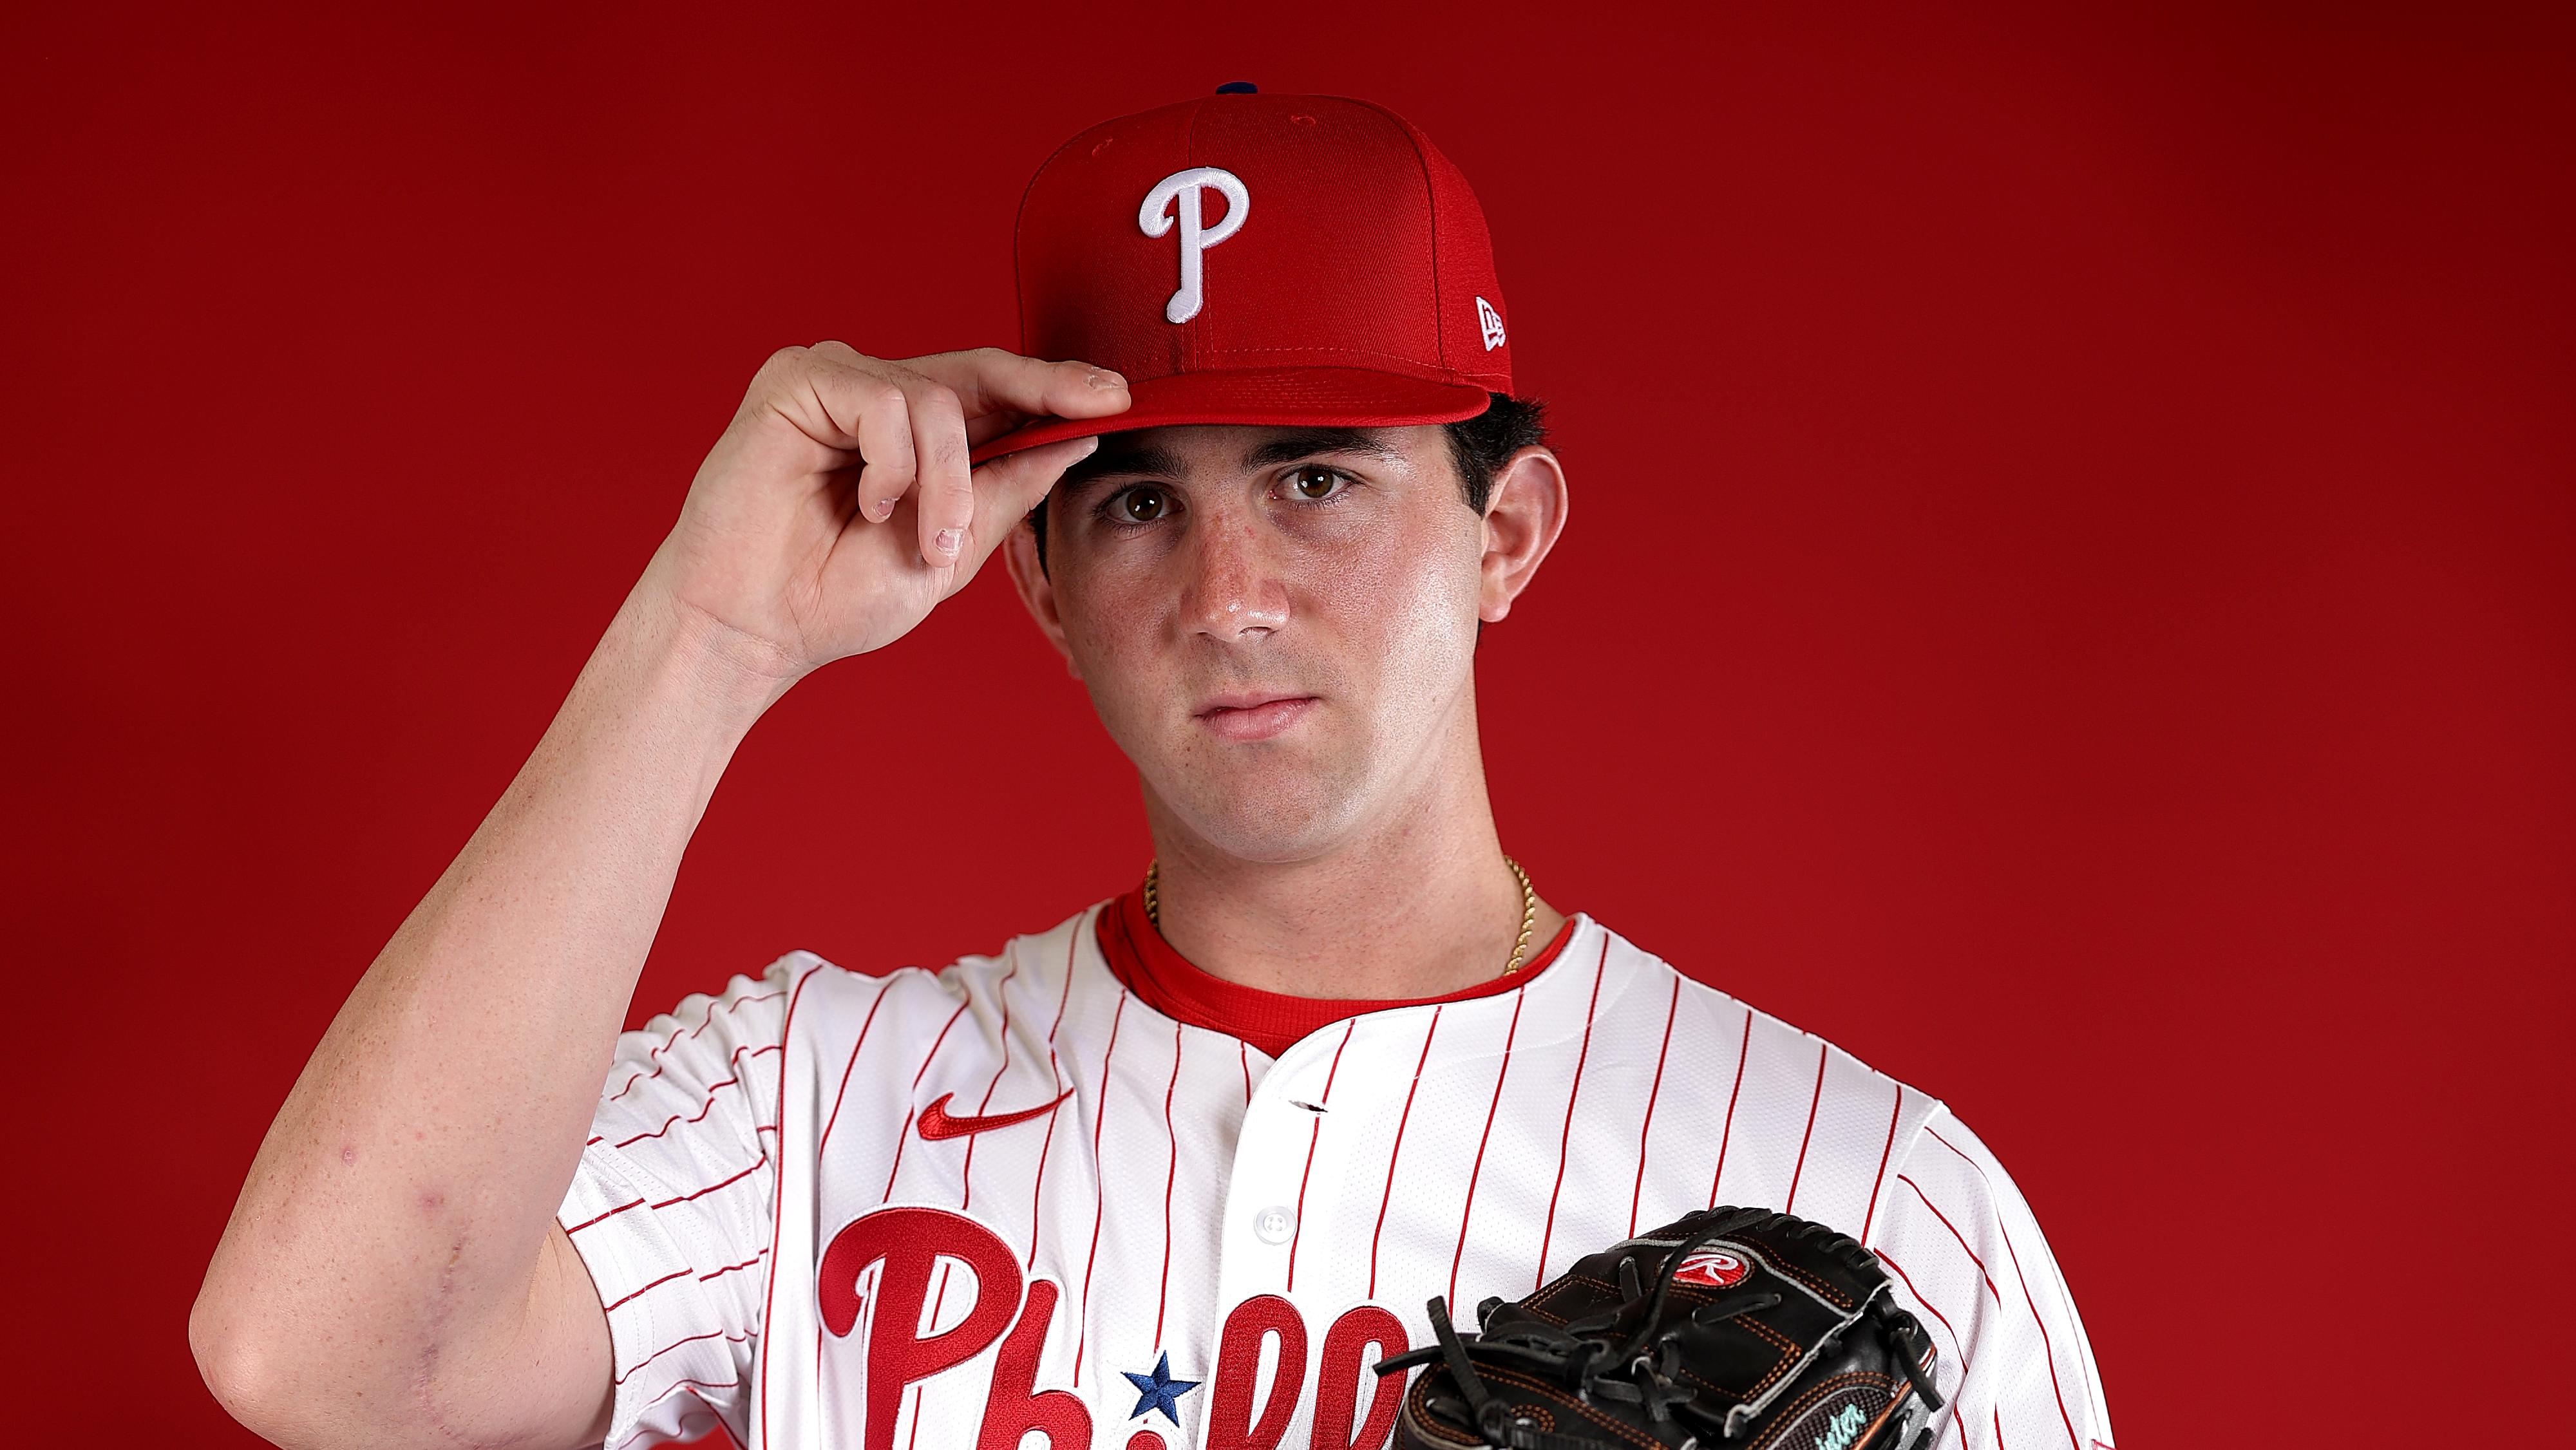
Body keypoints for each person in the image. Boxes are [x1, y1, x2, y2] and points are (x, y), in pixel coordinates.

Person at [191, 88, 2112, 1450]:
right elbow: (320, 1359)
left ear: (1507, 532)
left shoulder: (1873, 1188)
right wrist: (712, 637)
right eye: (1134, 504)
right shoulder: (809, 1101)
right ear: (1036, 577)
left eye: (1318, 476)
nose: (1227, 593)